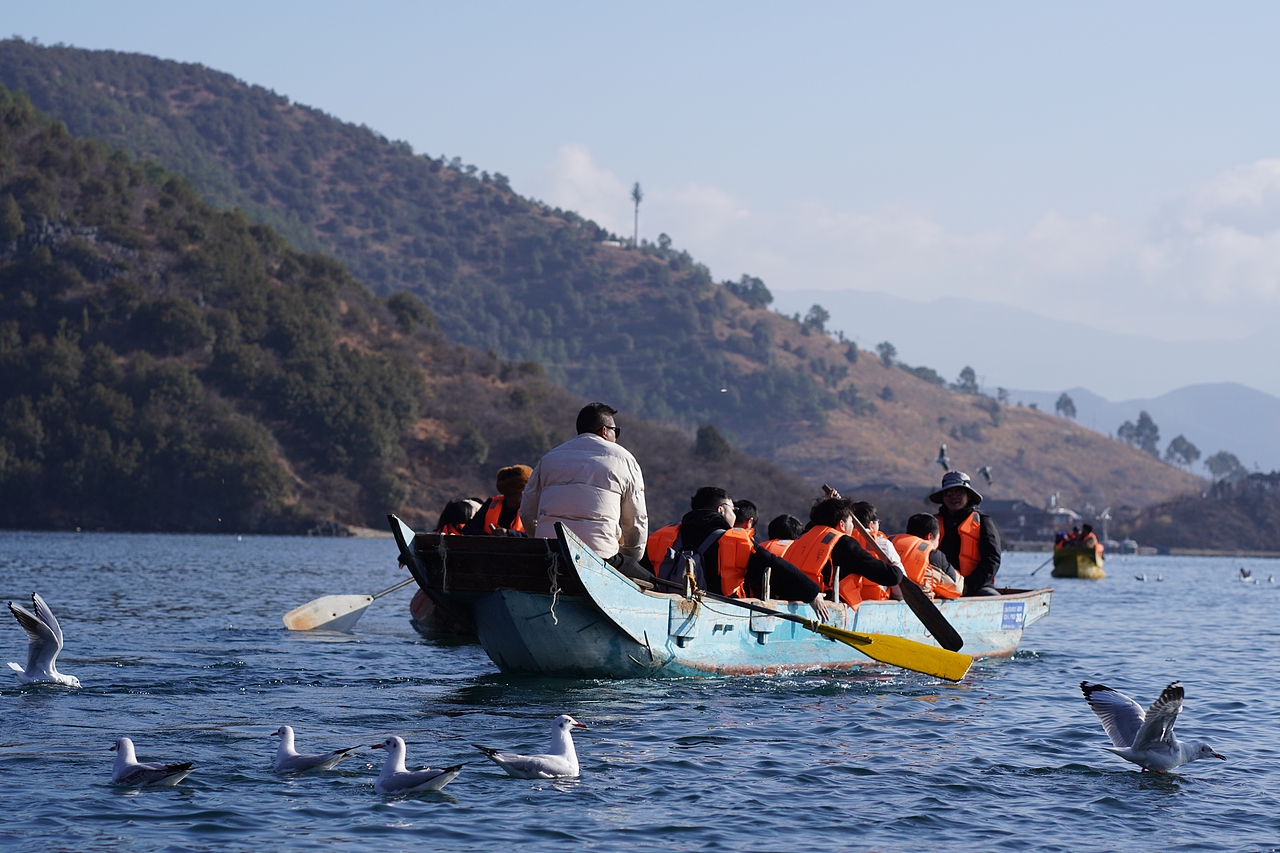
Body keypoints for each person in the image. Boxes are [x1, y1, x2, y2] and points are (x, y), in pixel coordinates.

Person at [644, 487, 828, 621]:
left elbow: (644, 569)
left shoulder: (663, 536)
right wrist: (811, 592)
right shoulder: (732, 540)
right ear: (721, 509)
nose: (734, 514)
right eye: (733, 509)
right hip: (717, 617)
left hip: (665, 611)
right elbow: (771, 566)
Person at [521, 402, 650, 580]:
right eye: (616, 431)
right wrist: (630, 557)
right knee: (651, 582)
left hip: (549, 553)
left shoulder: (550, 457)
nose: (616, 437)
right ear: (605, 431)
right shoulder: (625, 459)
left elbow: (527, 512)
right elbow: (636, 521)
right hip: (601, 555)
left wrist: (539, 539)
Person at [785, 496, 905, 608]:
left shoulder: (802, 537)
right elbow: (890, 577)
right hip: (825, 607)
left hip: (792, 600)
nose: (852, 527)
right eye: (851, 522)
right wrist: (896, 569)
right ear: (842, 524)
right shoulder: (844, 543)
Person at [930, 470, 1002, 596]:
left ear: (968, 496)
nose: (954, 497)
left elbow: (992, 560)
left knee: (992, 596)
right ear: (943, 497)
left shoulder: (983, 522)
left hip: (975, 587)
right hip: (939, 585)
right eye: (948, 493)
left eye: (959, 493)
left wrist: (968, 585)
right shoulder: (933, 522)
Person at [891, 513, 963, 600]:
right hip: (917, 603)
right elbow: (957, 587)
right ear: (929, 537)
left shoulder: (889, 545)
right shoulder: (933, 555)